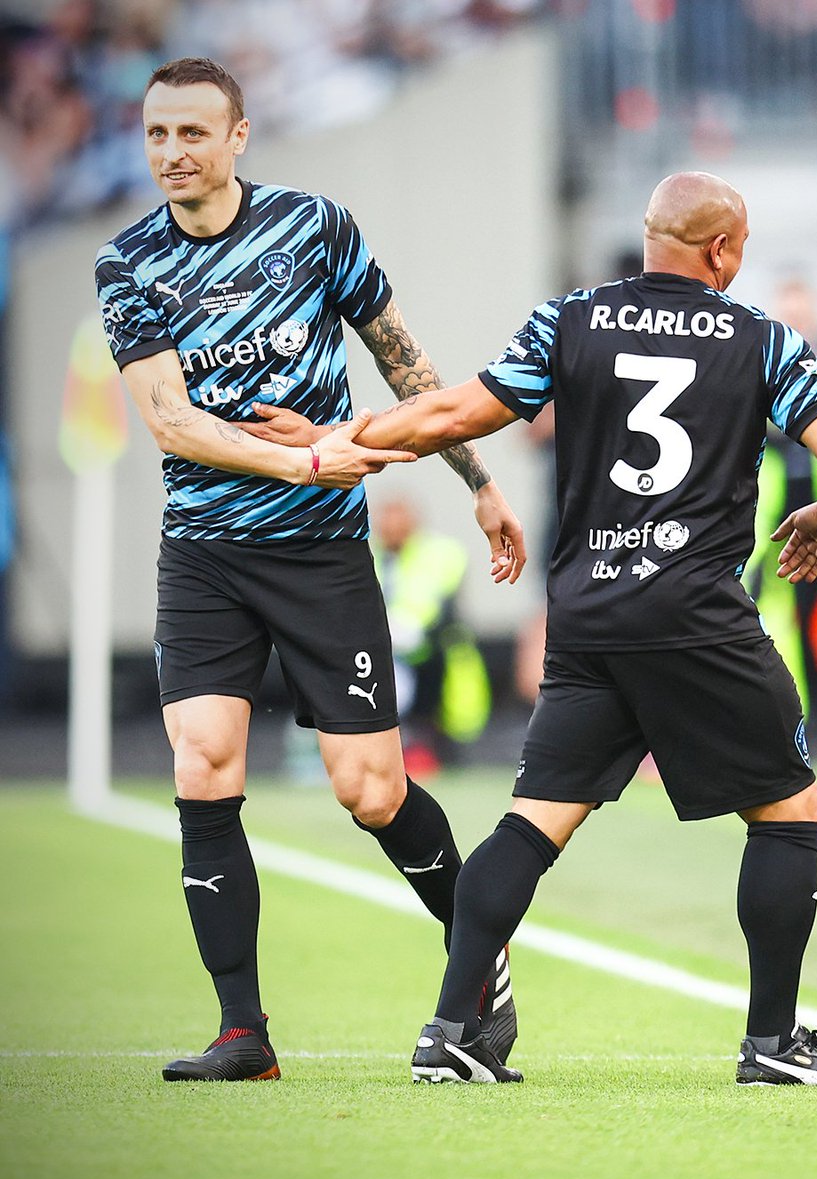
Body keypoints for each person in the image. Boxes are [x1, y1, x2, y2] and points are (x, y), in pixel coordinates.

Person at [257, 170, 817, 1086]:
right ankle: (772, 1043)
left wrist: (334, 440)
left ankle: (451, 1031)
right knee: (791, 811)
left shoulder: (570, 320)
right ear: (720, 249)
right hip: (697, 615)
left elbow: (449, 414)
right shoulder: (762, 339)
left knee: (532, 822)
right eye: (741, 248)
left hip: (588, 616)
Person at [94, 56, 524, 1082]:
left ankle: (478, 967)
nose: (171, 153)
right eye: (156, 134)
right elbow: (172, 421)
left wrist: (477, 480)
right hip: (204, 555)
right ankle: (242, 1032)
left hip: (322, 553)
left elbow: (404, 360)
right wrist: (304, 456)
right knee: (203, 764)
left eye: (193, 133)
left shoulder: (315, 227)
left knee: (371, 790)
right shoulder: (127, 263)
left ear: (238, 137)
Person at [371, 494, 491, 775]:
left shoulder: (441, 553)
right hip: (388, 656)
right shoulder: (371, 556)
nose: (391, 528)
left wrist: (406, 627)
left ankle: (432, 750)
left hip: (436, 655)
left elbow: (435, 602)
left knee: (447, 730)